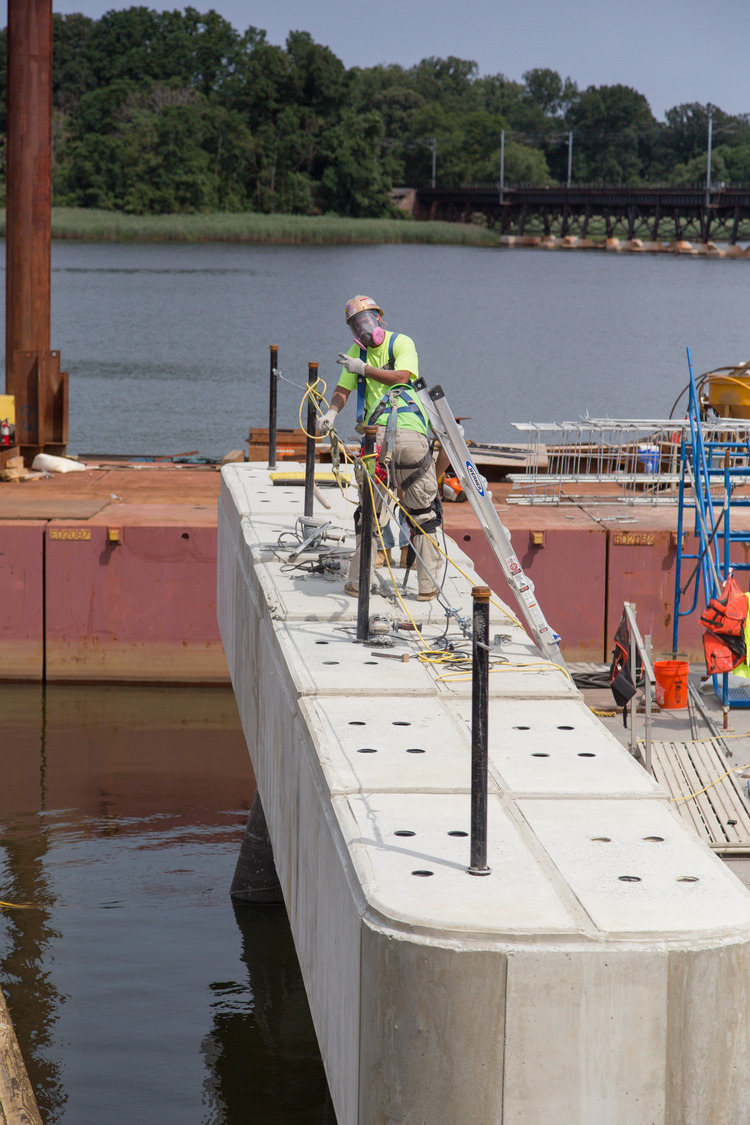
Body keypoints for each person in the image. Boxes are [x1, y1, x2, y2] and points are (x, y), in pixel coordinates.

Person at [317, 295, 442, 600]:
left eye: (366, 320)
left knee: (378, 514)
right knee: (407, 513)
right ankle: (426, 587)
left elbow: (403, 377)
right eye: (356, 324)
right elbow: (342, 389)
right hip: (392, 437)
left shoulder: (400, 343)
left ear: (379, 320)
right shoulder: (356, 353)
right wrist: (332, 412)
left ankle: (360, 583)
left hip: (390, 436)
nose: (363, 328)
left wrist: (364, 369)